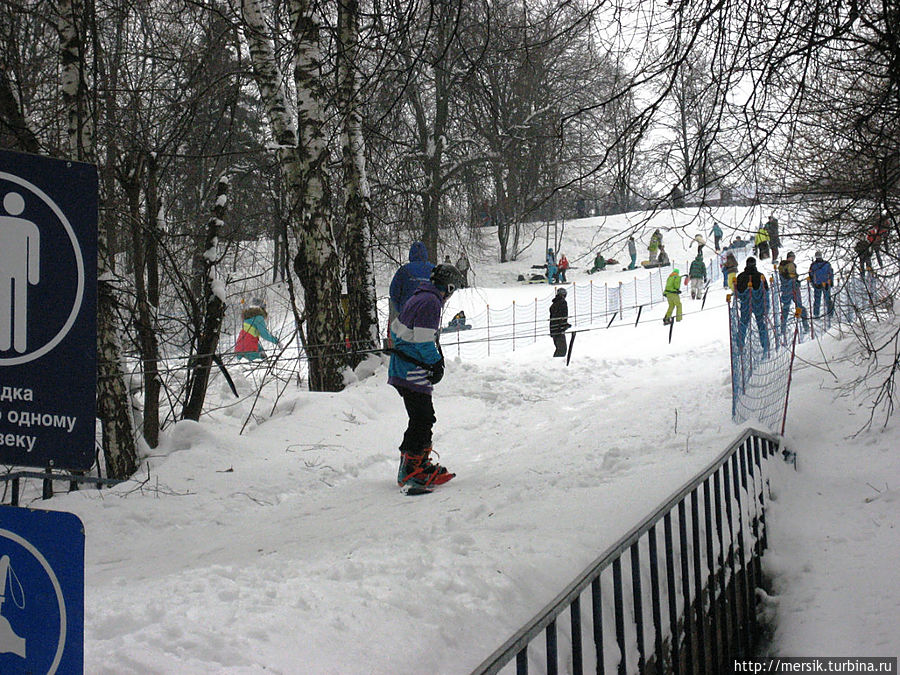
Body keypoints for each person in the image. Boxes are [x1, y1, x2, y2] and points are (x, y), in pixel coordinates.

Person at [389, 263, 463, 491]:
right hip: (412, 371)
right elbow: (423, 340)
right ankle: (412, 469)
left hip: (405, 367)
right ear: (449, 287)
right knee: (423, 419)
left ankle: (414, 463)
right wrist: (435, 363)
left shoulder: (418, 296)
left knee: (420, 417)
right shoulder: (431, 303)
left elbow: (395, 329)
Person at [734, 257, 770, 355]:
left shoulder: (741, 276)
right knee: (761, 324)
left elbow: (737, 291)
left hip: (745, 304)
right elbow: (766, 289)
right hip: (759, 305)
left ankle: (740, 346)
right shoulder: (760, 276)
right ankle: (765, 345)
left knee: (743, 323)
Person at [389, 241, 435, 318]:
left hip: (407, 313)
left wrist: (400, 308)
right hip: (429, 314)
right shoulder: (434, 270)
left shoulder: (404, 270)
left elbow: (394, 292)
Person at [777, 251, 809, 334]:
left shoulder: (781, 266)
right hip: (793, 289)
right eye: (792, 257)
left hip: (785, 290)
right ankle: (805, 327)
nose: (793, 259)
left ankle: (783, 329)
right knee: (800, 307)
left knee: (786, 309)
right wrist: (796, 282)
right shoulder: (790, 265)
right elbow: (792, 278)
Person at [808, 251, 834, 317]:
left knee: (820, 300)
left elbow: (811, 274)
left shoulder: (813, 265)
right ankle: (828, 314)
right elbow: (831, 273)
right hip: (822, 284)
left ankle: (818, 314)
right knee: (824, 299)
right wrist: (831, 282)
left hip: (821, 284)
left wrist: (812, 283)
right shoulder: (826, 264)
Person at [549, 287, 570, 357]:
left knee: (559, 348)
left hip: (553, 329)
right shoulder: (562, 302)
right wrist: (564, 325)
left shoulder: (554, 303)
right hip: (558, 329)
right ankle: (556, 363)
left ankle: (555, 362)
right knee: (562, 349)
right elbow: (562, 316)